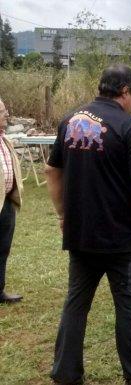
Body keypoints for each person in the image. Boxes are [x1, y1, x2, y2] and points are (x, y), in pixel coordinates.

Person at [45, 64, 131, 385]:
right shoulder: (128, 126)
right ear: (125, 91)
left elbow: (51, 171)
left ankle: (66, 373)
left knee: (76, 303)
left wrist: (62, 216)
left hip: (80, 234)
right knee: (128, 307)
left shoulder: (69, 121)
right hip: (121, 240)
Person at [0, 97, 23, 304]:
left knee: (3, 247)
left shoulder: (4, 139)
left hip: (5, 202)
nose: (6, 114)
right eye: (2, 111)